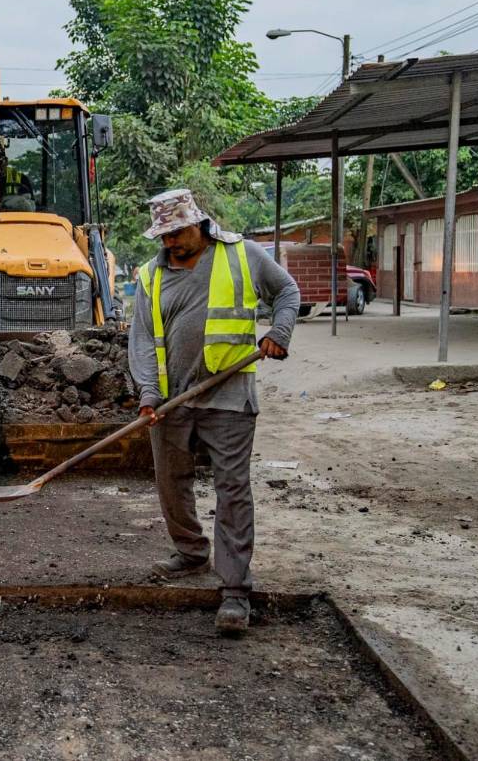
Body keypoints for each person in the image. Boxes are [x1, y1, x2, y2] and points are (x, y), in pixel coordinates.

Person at [129, 189, 300, 636]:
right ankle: (189, 550)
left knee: (232, 488)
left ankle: (236, 590)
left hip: (229, 396)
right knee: (170, 480)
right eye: (163, 236)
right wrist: (149, 393)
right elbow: (144, 341)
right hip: (171, 401)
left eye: (177, 233)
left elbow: (287, 291)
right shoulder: (150, 275)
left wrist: (279, 331)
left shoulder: (242, 254)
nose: (170, 243)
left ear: (199, 224)